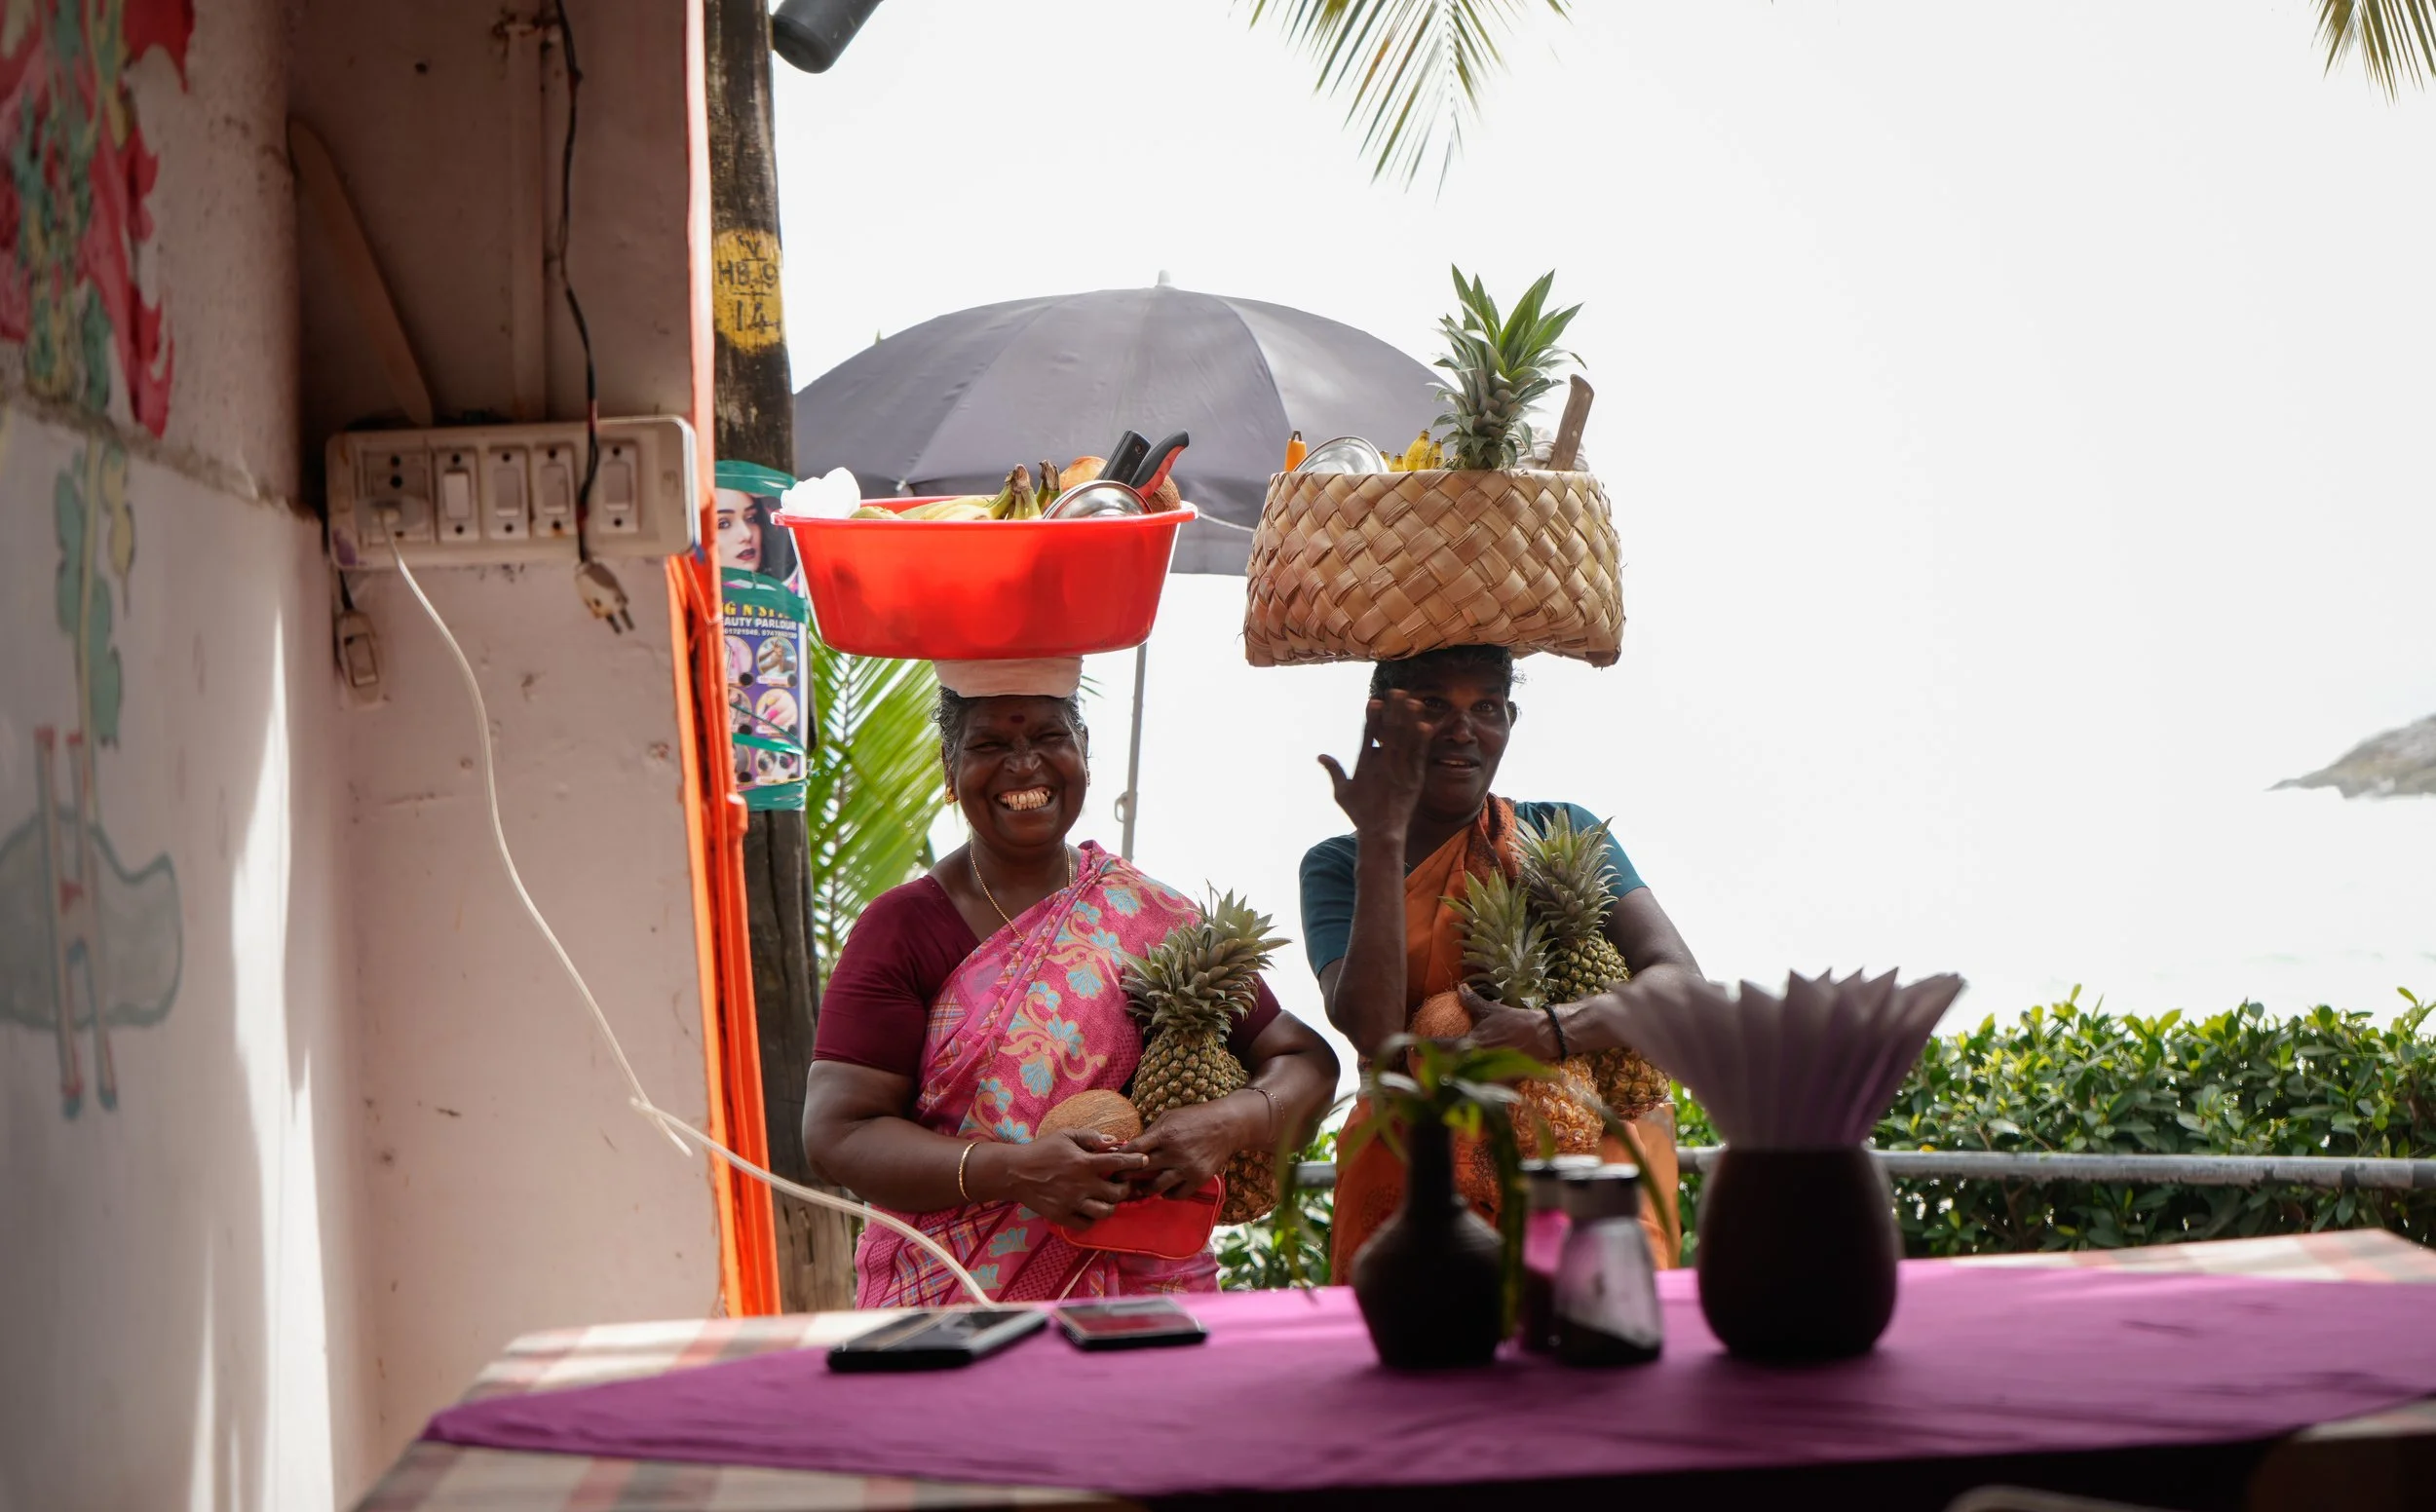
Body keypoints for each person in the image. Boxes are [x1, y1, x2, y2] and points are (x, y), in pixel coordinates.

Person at [803, 658, 1339, 1306]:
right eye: (990, 745)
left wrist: (1228, 1122)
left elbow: (1304, 1060)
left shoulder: (1153, 918)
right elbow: (839, 1133)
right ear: (950, 771)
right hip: (959, 1302)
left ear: (1084, 752)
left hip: (1147, 1304)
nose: (1025, 766)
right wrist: (1016, 1170)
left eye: (1050, 738)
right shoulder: (903, 928)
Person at [1302, 644, 1702, 1280]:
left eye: (1485, 706)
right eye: (1435, 705)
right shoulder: (1336, 865)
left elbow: (1683, 986)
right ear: (1382, 722)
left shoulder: (1562, 829)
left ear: (1509, 721)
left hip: (1583, 1180)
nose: (1464, 729)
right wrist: (1380, 835)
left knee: (1593, 1358)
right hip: (1417, 1188)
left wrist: (1550, 1028)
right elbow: (1376, 1033)